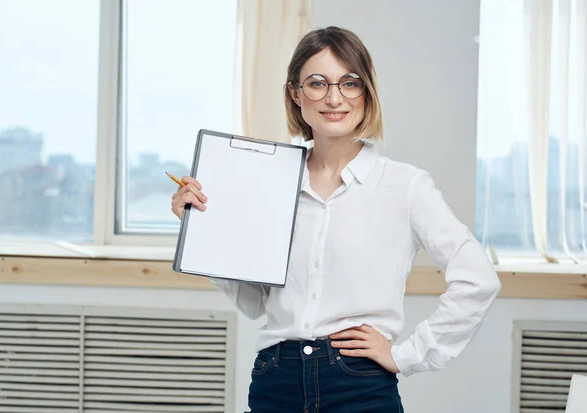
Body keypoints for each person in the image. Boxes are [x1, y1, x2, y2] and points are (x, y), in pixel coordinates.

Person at [171, 26, 501, 413]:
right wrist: (205, 229)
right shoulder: (266, 183)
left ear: (366, 92)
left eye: (349, 83)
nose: (334, 98)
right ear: (295, 93)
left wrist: (409, 355)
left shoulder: (405, 185)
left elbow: (478, 279)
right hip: (276, 378)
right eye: (317, 83)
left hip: (359, 385)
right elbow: (255, 303)